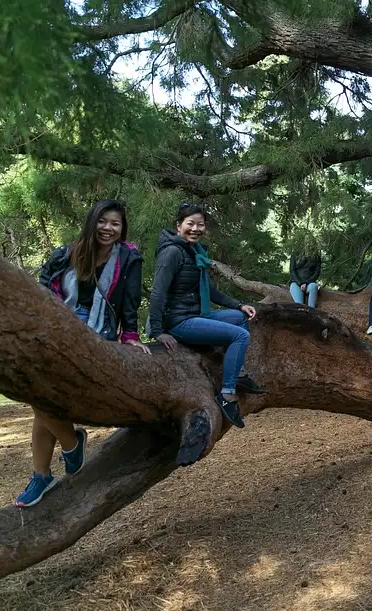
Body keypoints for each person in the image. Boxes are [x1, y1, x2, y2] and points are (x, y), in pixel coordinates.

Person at [16, 200, 150, 508]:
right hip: (60, 323)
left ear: (122, 228)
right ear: (92, 222)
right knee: (40, 396)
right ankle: (69, 445)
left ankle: (43, 473)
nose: (108, 228)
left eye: (115, 223)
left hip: (98, 328)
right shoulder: (68, 252)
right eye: (103, 221)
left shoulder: (129, 257)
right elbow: (44, 285)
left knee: (42, 398)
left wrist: (129, 335)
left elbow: (130, 300)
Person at [148, 204, 262, 429]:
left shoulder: (195, 253)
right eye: (190, 224)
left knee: (240, 319)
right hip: (179, 321)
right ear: (178, 226)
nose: (195, 228)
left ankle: (236, 372)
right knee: (240, 336)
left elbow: (210, 291)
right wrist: (157, 330)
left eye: (200, 224)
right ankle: (227, 395)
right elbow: (158, 292)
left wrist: (239, 305)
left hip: (195, 314)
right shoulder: (172, 252)